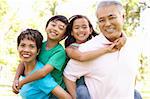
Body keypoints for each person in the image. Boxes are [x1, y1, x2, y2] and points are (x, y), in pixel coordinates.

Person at [63, 1, 140, 99]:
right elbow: (68, 75)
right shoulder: (85, 49)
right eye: (102, 20)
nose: (107, 24)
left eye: (112, 17)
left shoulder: (131, 45)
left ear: (123, 17)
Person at [64, 15, 126, 99]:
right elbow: (81, 56)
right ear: (71, 32)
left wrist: (124, 37)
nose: (81, 30)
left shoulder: (97, 43)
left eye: (84, 27)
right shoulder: (70, 48)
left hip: (99, 82)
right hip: (79, 83)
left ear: (90, 30)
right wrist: (106, 50)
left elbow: (114, 35)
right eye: (77, 28)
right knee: (82, 92)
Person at [12, 15, 72, 99]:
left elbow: (43, 73)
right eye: (53, 25)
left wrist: (22, 82)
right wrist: (16, 79)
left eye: (60, 28)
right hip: (40, 86)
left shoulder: (59, 52)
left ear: (63, 36)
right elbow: (24, 62)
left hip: (54, 91)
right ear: (46, 27)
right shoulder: (40, 45)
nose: (55, 29)